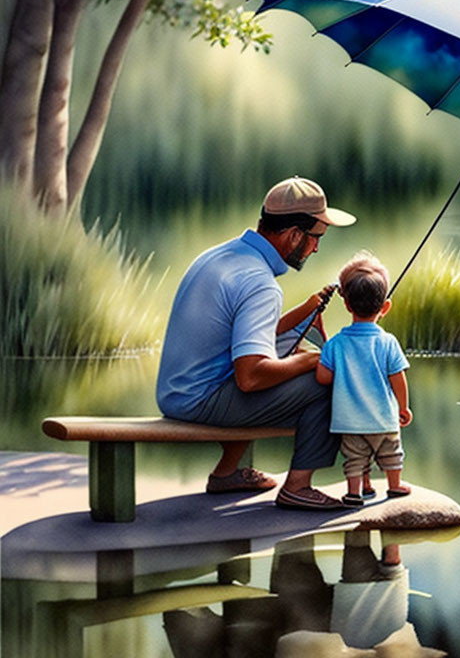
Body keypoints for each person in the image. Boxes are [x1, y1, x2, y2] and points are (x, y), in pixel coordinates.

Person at [156, 176, 356, 510]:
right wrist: (314, 361)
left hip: (175, 391)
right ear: (294, 235)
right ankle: (298, 487)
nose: (317, 247)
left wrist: (304, 313)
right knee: (324, 382)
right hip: (200, 399)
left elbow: (251, 337)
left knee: (290, 347)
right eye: (316, 238)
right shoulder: (260, 283)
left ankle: (227, 472)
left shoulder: (223, 255)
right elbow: (250, 377)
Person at [315, 252, 413, 508]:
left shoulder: (336, 343)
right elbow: (398, 378)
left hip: (350, 422)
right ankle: (395, 486)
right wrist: (403, 407)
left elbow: (323, 378)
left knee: (355, 459)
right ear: (385, 307)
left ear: (347, 305)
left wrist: (326, 351)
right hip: (384, 419)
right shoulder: (388, 342)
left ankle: (356, 492)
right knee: (391, 454)